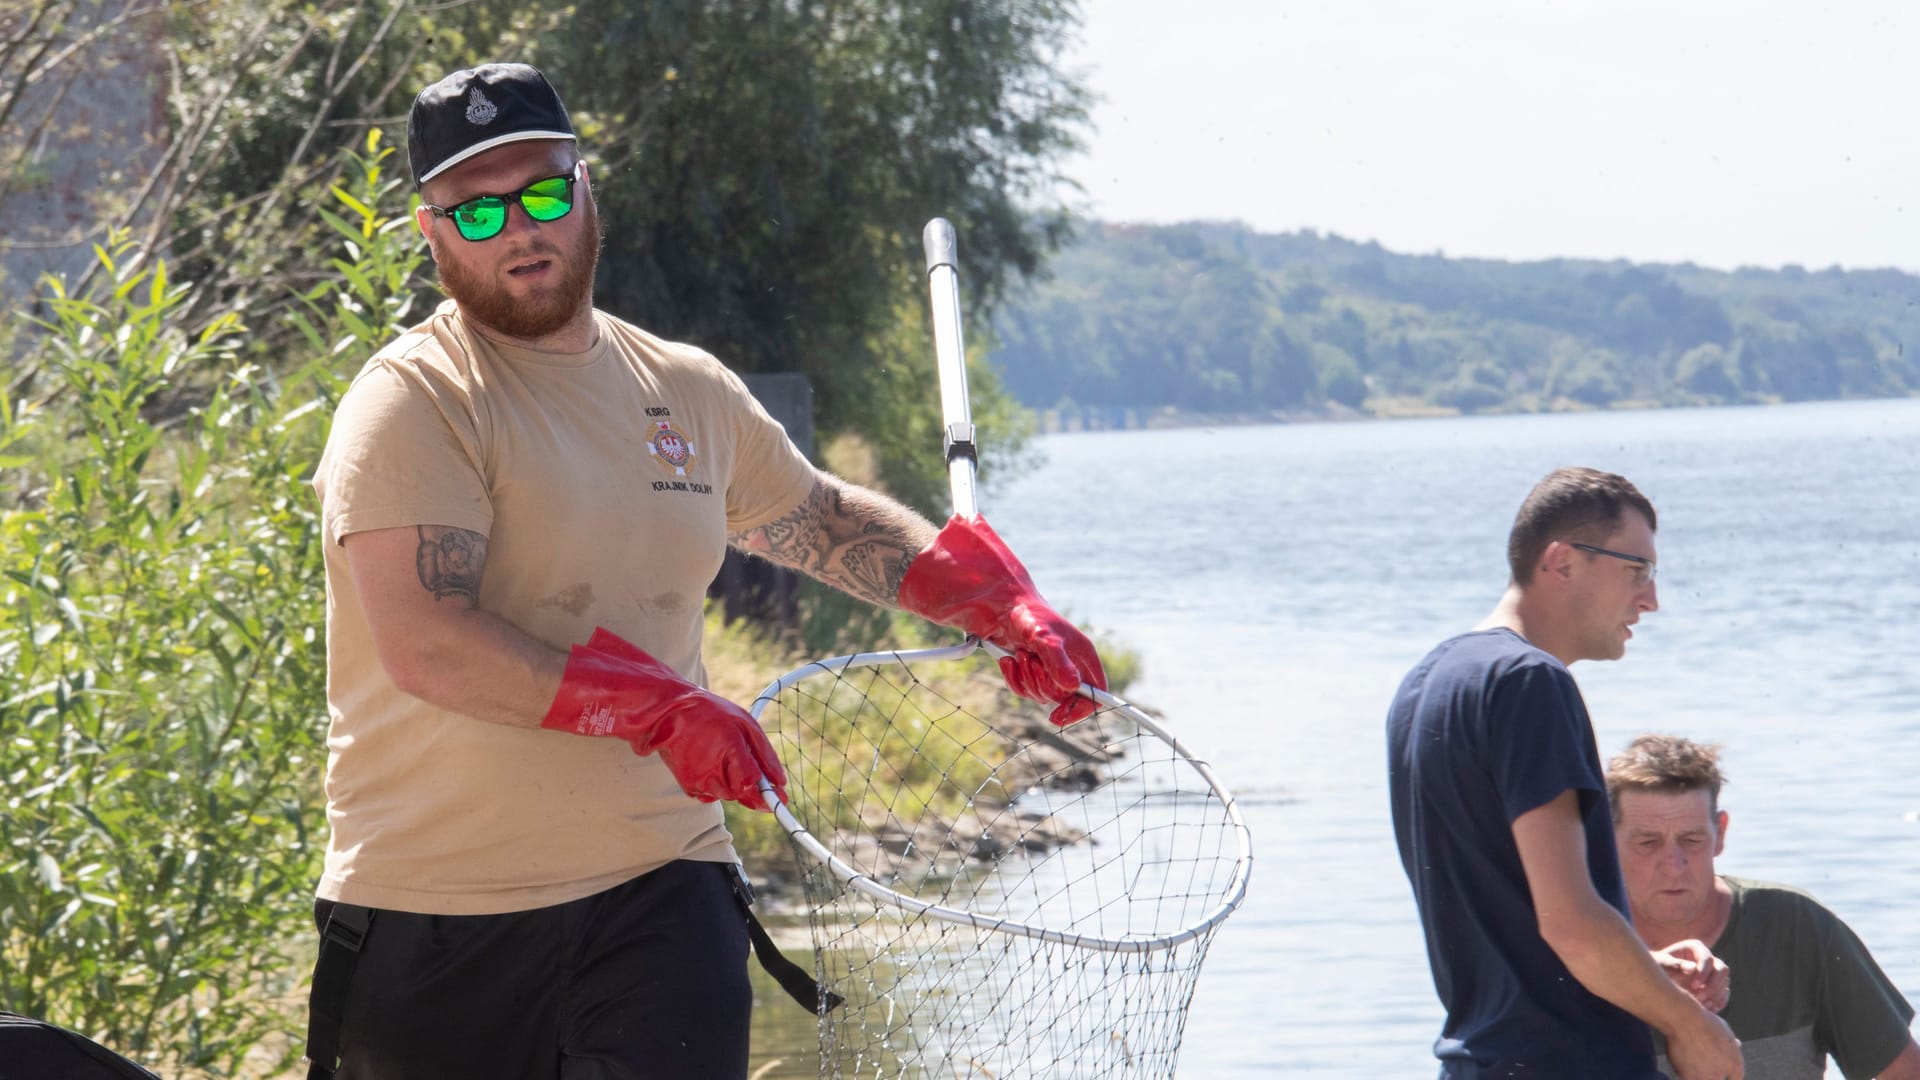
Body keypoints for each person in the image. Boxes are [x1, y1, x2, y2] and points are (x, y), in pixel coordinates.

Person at [302, 62, 1105, 1080]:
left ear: (589, 191)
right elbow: (427, 645)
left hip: (662, 887)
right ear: (431, 231)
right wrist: (658, 710)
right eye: (478, 211)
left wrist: (992, 600)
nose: (520, 229)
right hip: (437, 913)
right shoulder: (413, 401)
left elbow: (813, 517)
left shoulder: (684, 389)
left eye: (545, 192)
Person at [1386, 466, 1744, 1080]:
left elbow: (1511, 927)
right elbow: (1572, 923)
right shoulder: (1531, 682)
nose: (1651, 599)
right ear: (1561, 561)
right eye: (1637, 570)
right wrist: (1693, 1027)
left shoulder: (1428, 684)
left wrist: (1643, 968)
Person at [1607, 734, 1920, 1080]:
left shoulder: (1798, 928)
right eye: (1648, 843)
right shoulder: (1579, 945)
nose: (1673, 865)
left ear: (1720, 832)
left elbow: (1905, 1072)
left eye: (1691, 840)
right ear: (1605, 838)